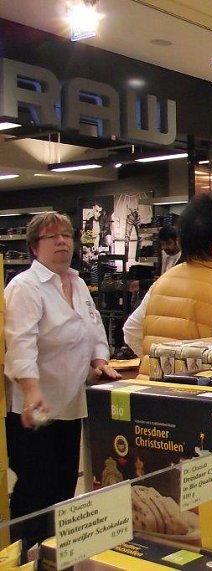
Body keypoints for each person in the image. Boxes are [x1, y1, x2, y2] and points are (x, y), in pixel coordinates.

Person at [4, 212, 122, 546]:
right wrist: (30, 390)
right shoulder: (25, 287)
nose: (62, 242)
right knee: (35, 489)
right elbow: (20, 343)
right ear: (33, 246)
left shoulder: (78, 281)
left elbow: (94, 325)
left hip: (71, 405)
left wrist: (100, 359)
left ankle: (56, 554)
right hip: (34, 407)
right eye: (52, 236)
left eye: (67, 235)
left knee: (65, 484)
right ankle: (25, 554)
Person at [124, 191, 212, 375]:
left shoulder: (163, 281)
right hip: (208, 399)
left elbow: (131, 331)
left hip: (151, 393)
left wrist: (162, 366)